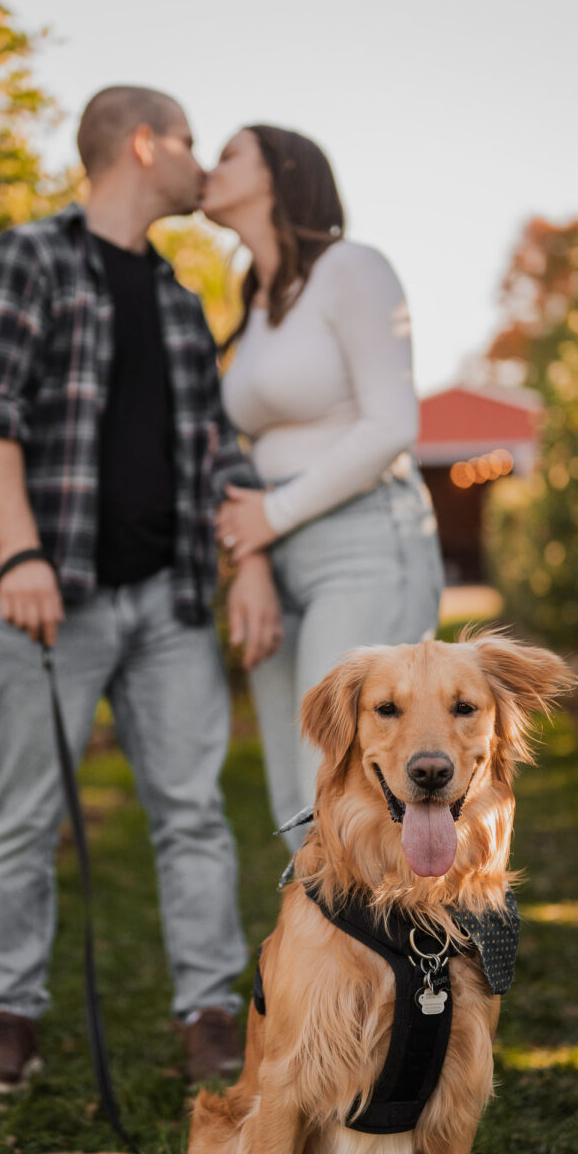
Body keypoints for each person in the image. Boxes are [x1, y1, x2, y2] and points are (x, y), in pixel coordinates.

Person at [0, 86, 282, 1094]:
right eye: (189, 143)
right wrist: (19, 555)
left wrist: (251, 562)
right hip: (47, 599)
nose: (197, 164)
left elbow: (218, 453)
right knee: (21, 813)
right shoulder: (29, 258)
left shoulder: (182, 301)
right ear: (144, 145)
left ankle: (209, 1016)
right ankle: (10, 1014)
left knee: (190, 814)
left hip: (168, 605)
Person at [204, 125, 445, 841]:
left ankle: (417, 952)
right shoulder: (253, 302)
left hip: (363, 539)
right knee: (298, 794)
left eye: (228, 155)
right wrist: (254, 550)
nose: (209, 170)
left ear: (280, 172)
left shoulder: (352, 268)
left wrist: (271, 516)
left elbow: (392, 424)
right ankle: (326, 955)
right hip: (276, 551)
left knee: (361, 781)